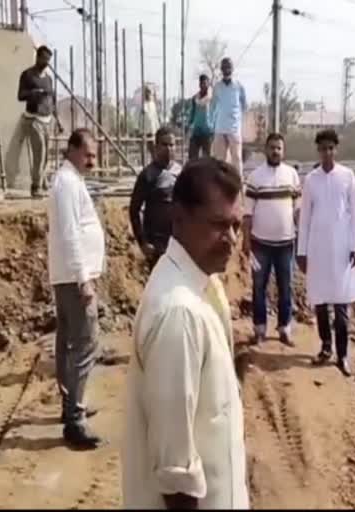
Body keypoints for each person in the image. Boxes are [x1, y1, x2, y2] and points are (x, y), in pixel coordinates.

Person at [122, 157, 248, 509]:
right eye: (218, 225)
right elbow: (175, 474)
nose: (232, 240)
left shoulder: (202, 283)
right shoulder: (180, 313)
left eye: (237, 225)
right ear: (178, 218)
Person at [47, 129, 103, 449]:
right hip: (73, 279)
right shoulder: (66, 183)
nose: (93, 161)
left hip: (70, 276)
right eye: (88, 155)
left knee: (70, 343)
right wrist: (83, 278)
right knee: (85, 344)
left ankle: (72, 405)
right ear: (72, 151)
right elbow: (69, 234)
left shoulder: (70, 180)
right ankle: (75, 420)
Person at [296, 129, 355, 377]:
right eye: (322, 148)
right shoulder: (311, 180)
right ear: (318, 150)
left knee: (341, 305)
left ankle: (343, 355)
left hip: (342, 249)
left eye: (330, 148)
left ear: (336, 149)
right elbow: (304, 219)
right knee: (321, 302)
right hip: (318, 250)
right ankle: (326, 348)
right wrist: (302, 252)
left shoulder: (347, 176)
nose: (327, 152)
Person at [243, 133, 301, 347]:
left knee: (286, 287)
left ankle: (284, 329)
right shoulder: (255, 177)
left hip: (286, 244)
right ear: (265, 150)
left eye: (279, 148)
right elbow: (247, 213)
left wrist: (302, 235)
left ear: (283, 151)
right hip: (260, 244)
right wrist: (246, 240)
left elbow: (298, 210)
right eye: (272, 148)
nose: (275, 151)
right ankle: (259, 329)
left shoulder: (292, 176)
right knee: (259, 286)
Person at [6, 45, 63, 198]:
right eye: (44, 58)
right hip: (33, 119)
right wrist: (33, 93)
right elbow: (20, 96)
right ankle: (35, 186)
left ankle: (42, 181)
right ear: (37, 57)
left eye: (48, 60)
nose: (46, 62)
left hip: (47, 120)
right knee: (39, 152)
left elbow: (53, 101)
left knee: (46, 155)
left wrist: (58, 121)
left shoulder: (49, 79)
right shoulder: (27, 75)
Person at [129, 127, 182, 270]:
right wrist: (143, 242)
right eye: (165, 145)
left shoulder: (181, 173)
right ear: (156, 147)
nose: (169, 149)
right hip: (157, 246)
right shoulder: (148, 175)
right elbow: (134, 210)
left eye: (172, 145)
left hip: (178, 244)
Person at [211, 57, 247, 175]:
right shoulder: (217, 87)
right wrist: (213, 124)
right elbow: (213, 107)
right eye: (224, 66)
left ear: (232, 68)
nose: (227, 68)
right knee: (219, 161)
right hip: (220, 128)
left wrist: (237, 119)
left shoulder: (239, 86)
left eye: (229, 66)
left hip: (234, 128)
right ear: (221, 69)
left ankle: (239, 187)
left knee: (236, 159)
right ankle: (220, 186)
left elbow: (244, 105)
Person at [187, 74, 214, 161]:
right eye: (202, 83)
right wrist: (188, 125)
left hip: (208, 132)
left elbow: (216, 113)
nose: (204, 85)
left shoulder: (212, 98)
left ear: (208, 84)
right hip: (196, 131)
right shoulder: (195, 98)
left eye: (206, 83)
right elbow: (192, 113)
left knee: (207, 158)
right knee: (192, 157)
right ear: (199, 84)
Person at [141, 86, 160, 159]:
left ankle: (154, 159)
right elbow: (143, 117)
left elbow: (155, 117)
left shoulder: (152, 104)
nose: (148, 94)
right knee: (146, 147)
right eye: (147, 92)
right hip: (146, 129)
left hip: (152, 129)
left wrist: (157, 127)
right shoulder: (144, 104)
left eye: (149, 93)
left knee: (152, 146)